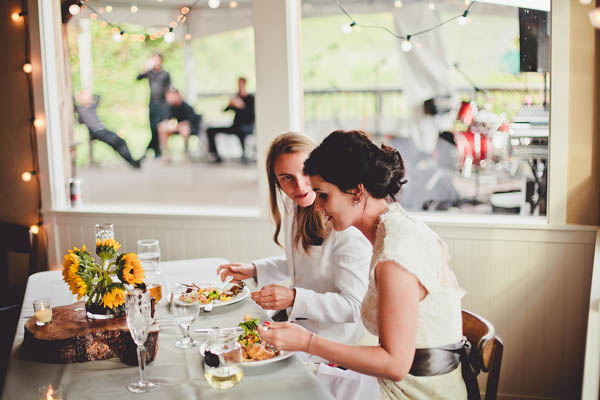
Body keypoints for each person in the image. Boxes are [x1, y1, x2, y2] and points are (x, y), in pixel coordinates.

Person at [260, 130, 470, 400]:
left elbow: (395, 365)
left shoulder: (396, 255)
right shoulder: (392, 228)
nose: (319, 207)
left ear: (356, 192)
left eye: (323, 195)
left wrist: (307, 341)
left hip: (412, 392)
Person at [217, 132, 376, 399]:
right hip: (300, 330)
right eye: (286, 178)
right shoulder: (295, 208)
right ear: (275, 182)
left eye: (304, 173)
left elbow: (353, 306)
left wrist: (293, 297)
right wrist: (255, 269)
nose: (300, 186)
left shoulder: (345, 225)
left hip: (334, 345)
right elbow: (303, 265)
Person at [73, 91, 140, 169]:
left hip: (102, 129)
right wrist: (79, 97)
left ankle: (131, 161)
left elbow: (98, 97)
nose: (88, 100)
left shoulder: (92, 107)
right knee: (116, 142)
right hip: (96, 132)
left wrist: (89, 97)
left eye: (89, 98)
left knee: (121, 141)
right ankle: (132, 162)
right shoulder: (81, 109)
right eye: (85, 99)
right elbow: (73, 102)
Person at [206, 77, 255, 163]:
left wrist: (241, 106)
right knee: (210, 130)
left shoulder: (250, 98)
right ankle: (215, 156)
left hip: (247, 127)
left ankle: (245, 156)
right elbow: (224, 110)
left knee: (241, 131)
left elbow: (251, 114)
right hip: (235, 127)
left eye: (241, 84)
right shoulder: (236, 97)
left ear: (245, 84)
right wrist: (229, 104)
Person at [136, 53, 171, 158]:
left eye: (157, 59)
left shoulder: (165, 74)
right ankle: (155, 150)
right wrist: (146, 67)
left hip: (162, 103)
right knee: (152, 127)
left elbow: (169, 89)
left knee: (159, 127)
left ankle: (152, 150)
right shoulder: (149, 73)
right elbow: (138, 78)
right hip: (152, 103)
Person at [157, 87, 202, 161]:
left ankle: (186, 153)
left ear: (178, 95)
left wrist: (178, 126)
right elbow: (166, 120)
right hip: (174, 128)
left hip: (187, 128)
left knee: (184, 129)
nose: (170, 98)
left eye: (172, 96)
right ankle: (166, 154)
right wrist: (169, 125)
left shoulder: (186, 107)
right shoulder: (168, 107)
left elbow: (189, 121)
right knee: (161, 128)